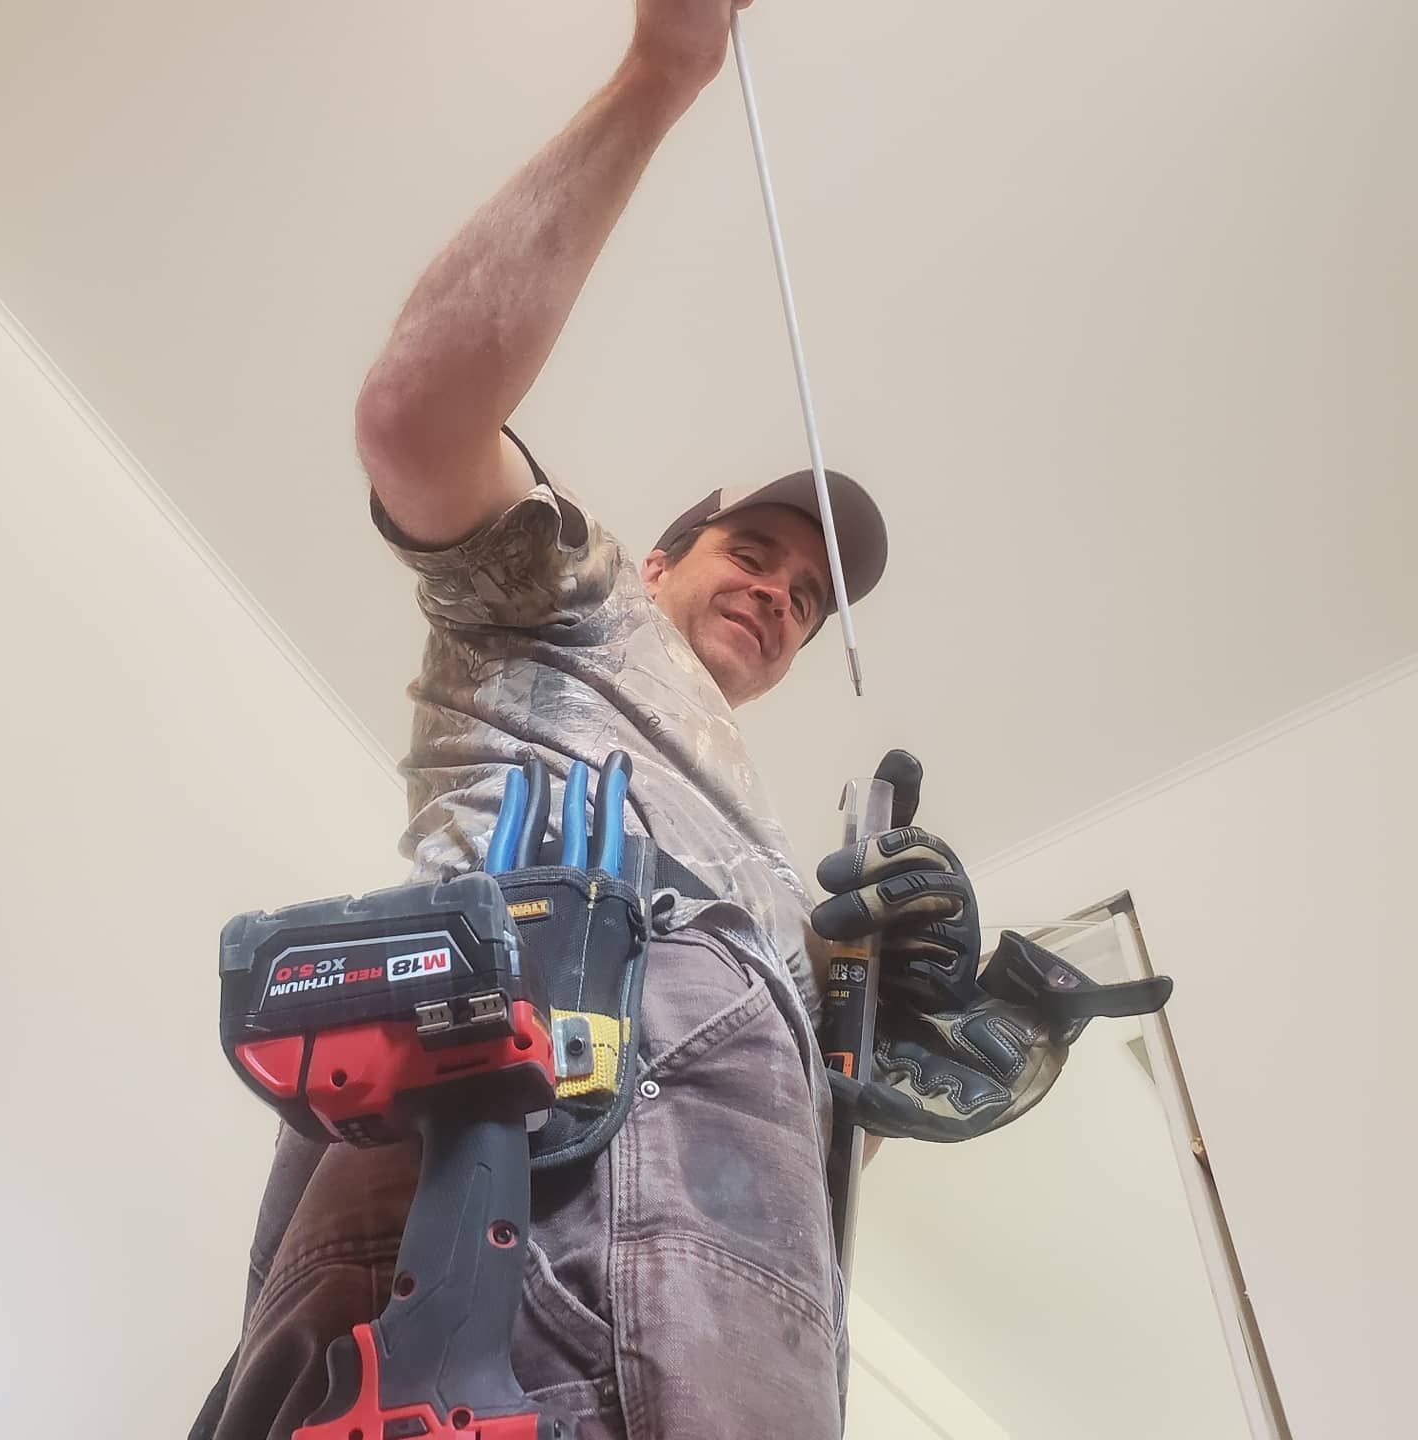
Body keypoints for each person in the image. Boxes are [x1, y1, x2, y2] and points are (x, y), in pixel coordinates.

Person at [194, 5, 1165, 1437]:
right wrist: (664, 79)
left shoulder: (780, 863)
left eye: (809, 597)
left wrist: (884, 1028)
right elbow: (413, 420)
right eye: (752, 556)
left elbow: (803, 1163)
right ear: (660, 561)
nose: (779, 594)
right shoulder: (580, 608)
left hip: (753, 1301)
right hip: (493, 1165)